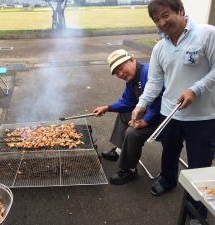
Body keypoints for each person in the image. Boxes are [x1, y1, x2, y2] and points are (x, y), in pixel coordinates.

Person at [132, 0, 215, 222]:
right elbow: (154, 82)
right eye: (156, 19)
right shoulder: (160, 47)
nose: (161, 22)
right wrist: (141, 105)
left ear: (180, 11)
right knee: (169, 152)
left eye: (165, 15)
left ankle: (198, 211)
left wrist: (195, 90)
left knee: (200, 166)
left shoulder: (207, 34)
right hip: (170, 112)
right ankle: (167, 180)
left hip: (203, 116)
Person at [92, 49, 162, 185]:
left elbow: (161, 101)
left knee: (133, 132)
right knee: (125, 114)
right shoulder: (133, 79)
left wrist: (146, 121)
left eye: (121, 68)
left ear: (131, 60)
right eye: (116, 72)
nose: (120, 73)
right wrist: (108, 107)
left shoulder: (148, 72)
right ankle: (120, 150)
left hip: (163, 119)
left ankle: (129, 169)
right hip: (148, 114)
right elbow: (128, 101)